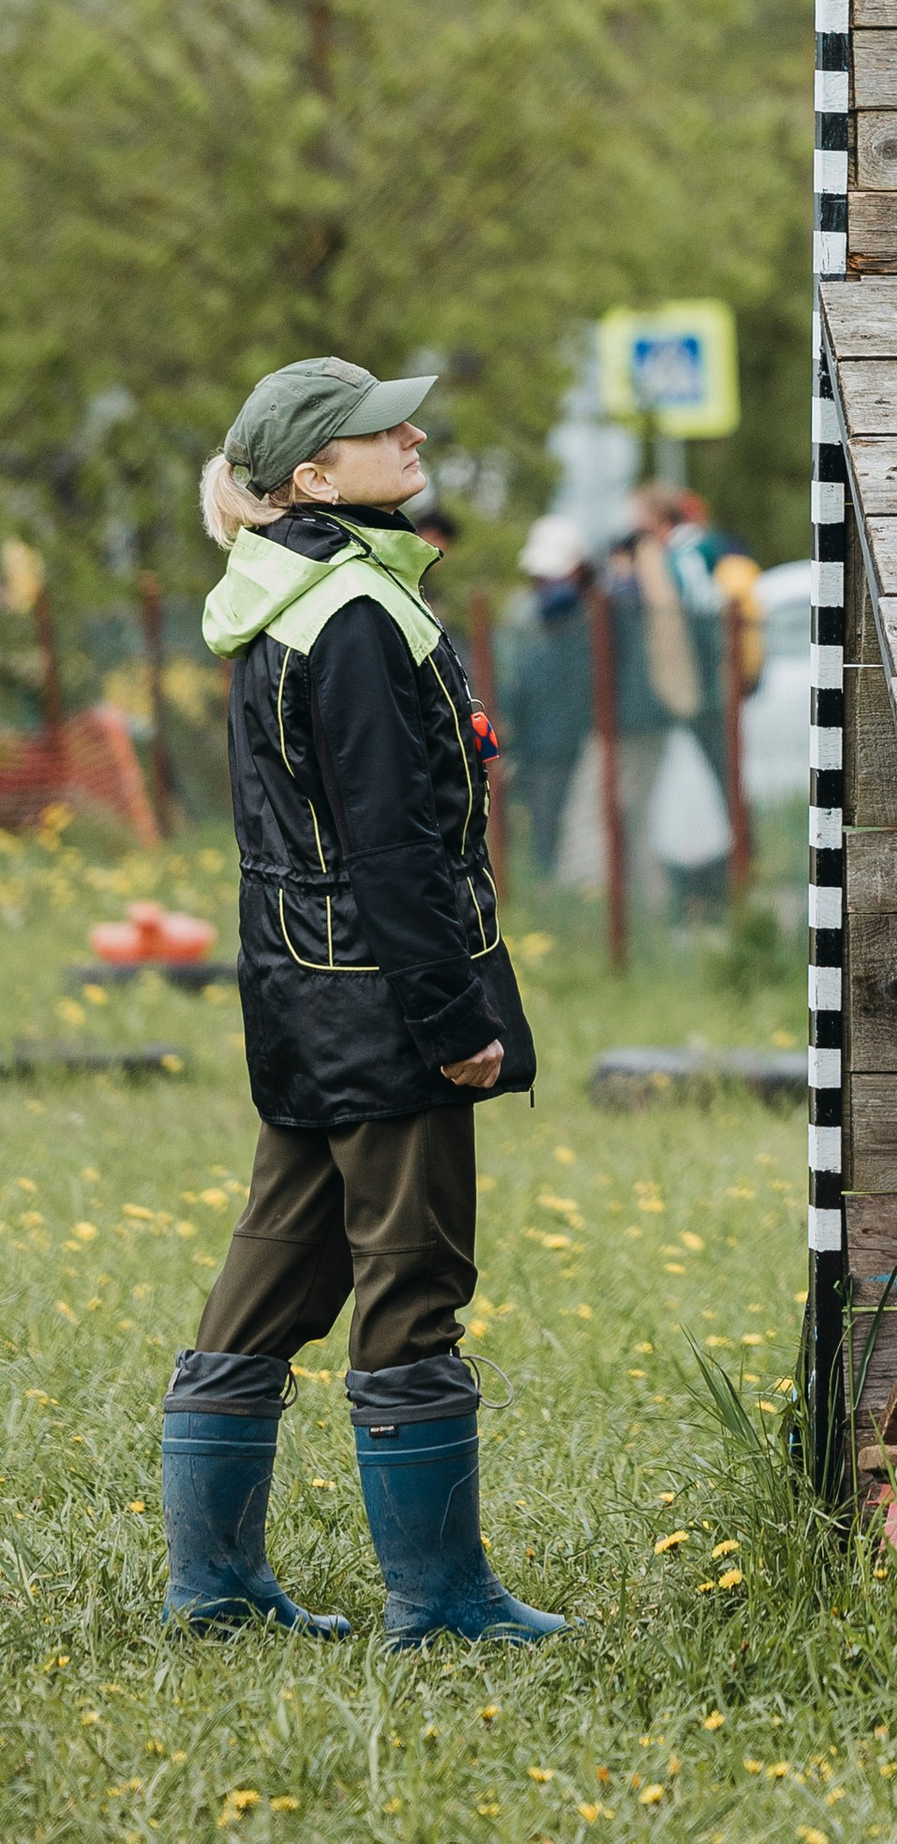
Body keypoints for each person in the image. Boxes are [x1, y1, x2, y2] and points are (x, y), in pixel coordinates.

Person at [162, 356, 563, 1646]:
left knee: (274, 1275)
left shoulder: (275, 598)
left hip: (296, 993)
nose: (418, 433)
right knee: (416, 1279)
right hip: (385, 1005)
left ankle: (214, 1591)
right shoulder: (354, 616)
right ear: (315, 476)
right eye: (382, 428)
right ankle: (441, 1607)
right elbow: (393, 850)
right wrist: (456, 1026)